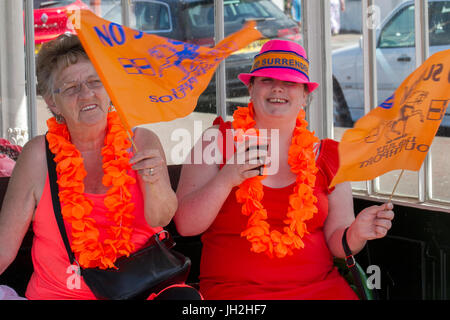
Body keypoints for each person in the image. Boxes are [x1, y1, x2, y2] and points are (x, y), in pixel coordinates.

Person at [174, 39, 394, 300]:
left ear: (305, 95)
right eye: (266, 79)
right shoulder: (216, 140)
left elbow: (338, 242)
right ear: (251, 88)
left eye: (290, 82)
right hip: (236, 293)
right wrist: (227, 178)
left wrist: (357, 232)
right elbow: (186, 226)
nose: (278, 87)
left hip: (320, 290)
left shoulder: (332, 155)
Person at [0, 34, 200, 300]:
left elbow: (161, 218)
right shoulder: (37, 154)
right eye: (71, 87)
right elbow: (4, 248)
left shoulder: (139, 140)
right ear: (51, 102)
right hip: (59, 295)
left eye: (95, 82)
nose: (86, 94)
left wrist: (152, 179)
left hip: (142, 290)